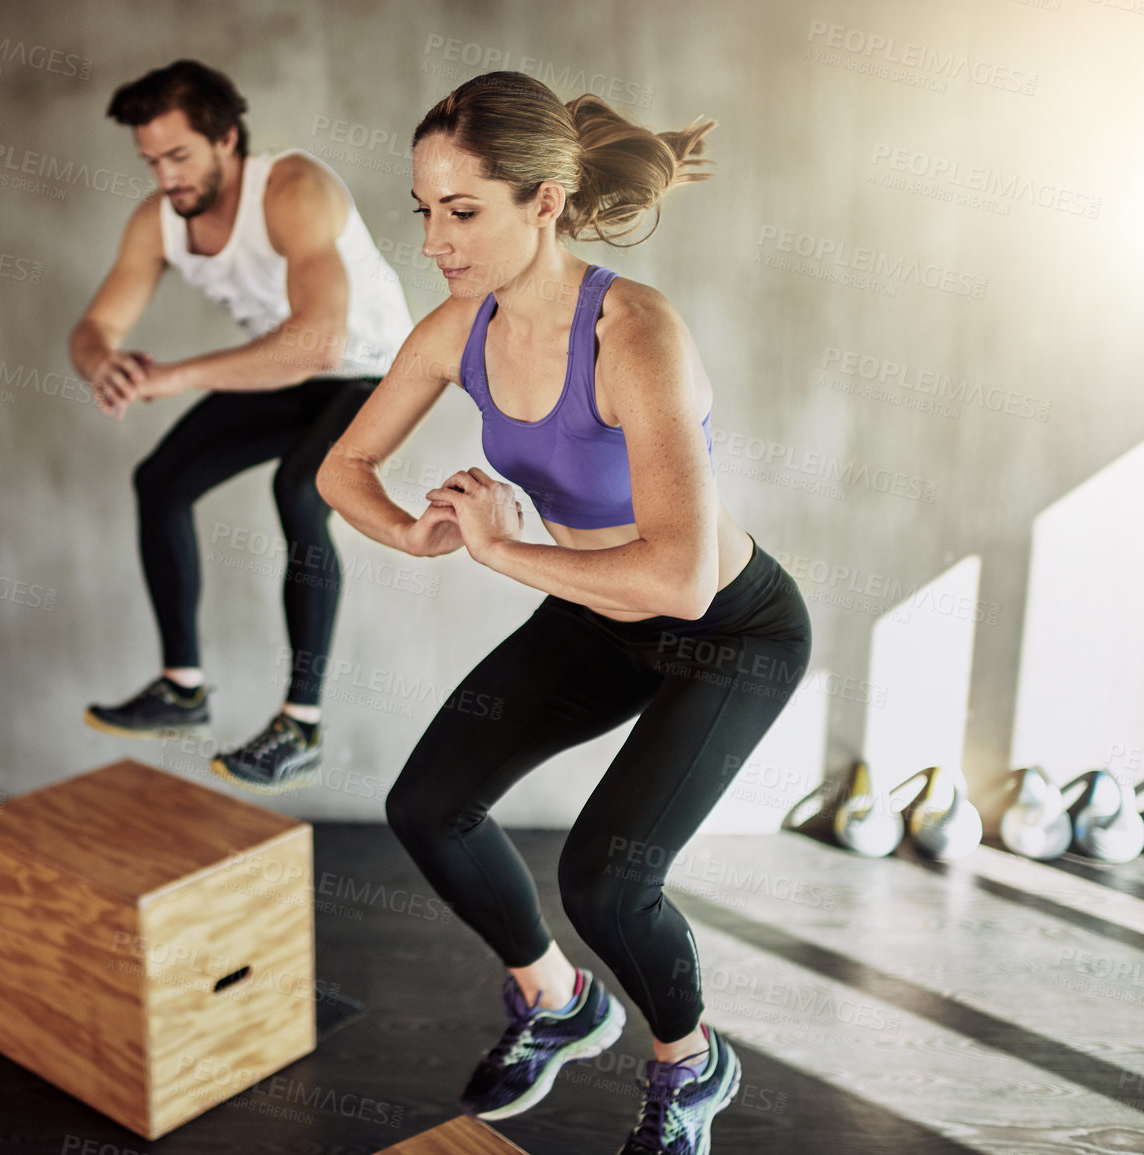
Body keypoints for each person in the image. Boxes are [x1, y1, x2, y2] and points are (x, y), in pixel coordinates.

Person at [316, 71, 813, 1154]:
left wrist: (503, 549)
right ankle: (558, 1002)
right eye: (425, 212)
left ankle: (691, 1060)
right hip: (597, 612)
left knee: (606, 880)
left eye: (463, 212)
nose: (436, 241)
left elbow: (680, 581)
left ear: (543, 202)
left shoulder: (635, 332)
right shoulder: (458, 331)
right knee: (428, 806)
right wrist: (409, 532)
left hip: (728, 630)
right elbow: (341, 466)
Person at [72, 60, 413, 792]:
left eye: (178, 156)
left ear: (226, 139)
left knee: (301, 491)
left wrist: (175, 374)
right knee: (158, 479)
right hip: (284, 376)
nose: (165, 177)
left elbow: (317, 342)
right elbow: (96, 324)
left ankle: (302, 722)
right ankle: (181, 687)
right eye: (150, 161)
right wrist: (103, 360)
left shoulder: (293, 190)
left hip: (375, 372)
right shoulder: (159, 219)